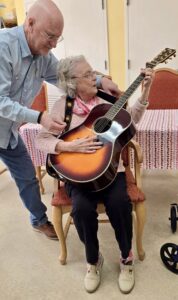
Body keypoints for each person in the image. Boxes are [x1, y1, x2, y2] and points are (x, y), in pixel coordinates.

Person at [0, 0, 120, 240]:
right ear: (30, 23)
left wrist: (99, 81)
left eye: (58, 38)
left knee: (27, 179)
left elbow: (69, 76)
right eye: (50, 36)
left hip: (8, 132)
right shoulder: (4, 48)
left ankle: (39, 220)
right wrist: (39, 117)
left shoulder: (44, 56)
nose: (54, 44)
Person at [35, 55, 154, 293]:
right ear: (72, 83)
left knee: (120, 204)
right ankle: (93, 260)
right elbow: (41, 140)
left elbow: (132, 119)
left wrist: (145, 92)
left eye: (93, 73)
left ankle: (126, 258)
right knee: (81, 209)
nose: (96, 78)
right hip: (78, 174)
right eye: (88, 75)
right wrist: (68, 146)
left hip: (111, 170)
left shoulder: (108, 100)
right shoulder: (63, 108)